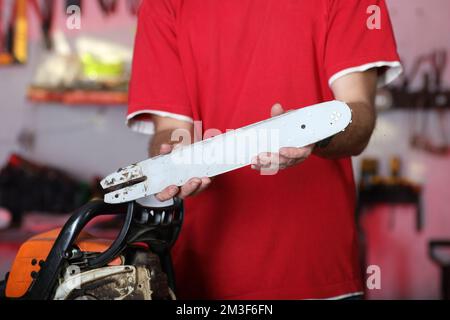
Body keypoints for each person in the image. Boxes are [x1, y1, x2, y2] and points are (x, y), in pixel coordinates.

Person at [127, 0, 402, 299]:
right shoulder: (161, 5)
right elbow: (170, 128)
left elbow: (357, 113)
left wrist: (313, 133)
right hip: (200, 278)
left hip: (317, 271)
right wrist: (177, 159)